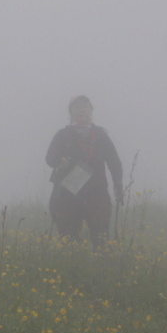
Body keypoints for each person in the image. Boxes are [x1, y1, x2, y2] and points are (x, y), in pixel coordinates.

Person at [46, 95, 124, 248]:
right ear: (71, 113)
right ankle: (73, 268)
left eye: (85, 106)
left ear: (91, 111)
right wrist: (59, 160)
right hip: (68, 193)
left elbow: (114, 162)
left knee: (101, 239)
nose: (81, 110)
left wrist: (118, 185)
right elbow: (49, 158)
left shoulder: (101, 136)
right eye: (76, 107)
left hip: (97, 193)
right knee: (69, 239)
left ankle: (101, 268)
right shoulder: (63, 135)